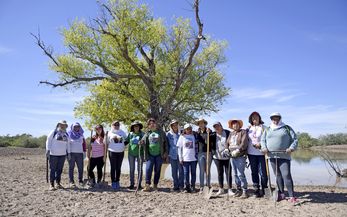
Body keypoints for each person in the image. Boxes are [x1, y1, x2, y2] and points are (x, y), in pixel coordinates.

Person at [261, 112, 298, 203]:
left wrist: (291, 148)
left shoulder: (287, 128)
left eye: (277, 118)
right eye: (273, 118)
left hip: (284, 156)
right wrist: (264, 148)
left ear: (280, 118)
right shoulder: (267, 129)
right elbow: (262, 140)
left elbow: (295, 139)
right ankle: (281, 194)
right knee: (277, 175)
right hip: (272, 155)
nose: (275, 120)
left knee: (286, 175)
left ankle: (291, 196)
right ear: (271, 119)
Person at [141, 118, 168, 192]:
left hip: (159, 155)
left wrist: (166, 153)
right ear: (148, 126)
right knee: (148, 169)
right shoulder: (147, 133)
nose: (152, 124)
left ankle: (155, 185)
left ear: (156, 124)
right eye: (150, 124)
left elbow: (166, 143)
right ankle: (147, 185)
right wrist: (141, 142)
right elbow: (142, 141)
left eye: (153, 123)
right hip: (150, 155)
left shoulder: (161, 133)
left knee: (157, 170)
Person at [247, 112, 268, 198]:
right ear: (251, 119)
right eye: (253, 117)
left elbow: (268, 139)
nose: (254, 118)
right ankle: (256, 189)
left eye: (256, 117)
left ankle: (264, 189)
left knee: (263, 172)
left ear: (259, 118)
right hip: (251, 153)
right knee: (254, 172)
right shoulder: (248, 129)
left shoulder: (264, 128)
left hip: (261, 153)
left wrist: (261, 145)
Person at [227, 119, 249, 199]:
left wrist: (238, 150)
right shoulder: (231, 133)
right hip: (232, 156)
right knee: (235, 174)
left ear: (239, 125)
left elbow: (244, 143)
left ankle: (245, 190)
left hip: (240, 155)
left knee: (240, 174)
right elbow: (227, 142)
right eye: (233, 124)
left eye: (236, 124)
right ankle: (238, 189)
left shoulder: (243, 132)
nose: (235, 125)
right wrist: (226, 149)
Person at [46, 120, 71, 190]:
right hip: (53, 154)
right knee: (53, 169)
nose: (63, 126)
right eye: (61, 125)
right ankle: (51, 184)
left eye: (64, 125)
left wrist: (68, 153)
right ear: (58, 125)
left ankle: (58, 183)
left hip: (62, 155)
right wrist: (48, 150)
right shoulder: (54, 132)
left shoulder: (66, 134)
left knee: (59, 170)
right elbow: (48, 140)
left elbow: (68, 144)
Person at [210, 122, 232, 196]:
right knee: (220, 173)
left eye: (218, 126)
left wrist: (228, 149)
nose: (217, 128)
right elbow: (206, 141)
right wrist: (207, 132)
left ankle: (230, 189)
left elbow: (232, 141)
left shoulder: (227, 132)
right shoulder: (212, 134)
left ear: (221, 126)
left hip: (227, 156)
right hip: (217, 157)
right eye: (215, 127)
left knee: (228, 173)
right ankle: (221, 189)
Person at [105, 121, 127, 190]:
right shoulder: (109, 133)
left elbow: (127, 140)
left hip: (121, 152)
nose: (116, 126)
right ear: (112, 125)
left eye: (118, 125)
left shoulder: (122, 132)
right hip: (112, 152)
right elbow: (106, 143)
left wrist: (123, 146)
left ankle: (117, 181)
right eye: (115, 125)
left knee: (118, 167)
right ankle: (113, 182)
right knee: (113, 167)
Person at [177, 124, 198, 193]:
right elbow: (179, 148)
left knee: (193, 173)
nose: (189, 130)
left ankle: (193, 186)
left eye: (190, 129)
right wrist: (180, 158)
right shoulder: (182, 137)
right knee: (186, 173)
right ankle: (187, 187)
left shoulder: (193, 136)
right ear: (185, 130)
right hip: (185, 158)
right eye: (187, 129)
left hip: (193, 159)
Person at [125, 121, 144, 190]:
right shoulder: (130, 134)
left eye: (137, 126)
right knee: (131, 169)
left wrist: (142, 143)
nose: (136, 127)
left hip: (140, 154)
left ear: (139, 127)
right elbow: (126, 142)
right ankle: (132, 184)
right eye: (135, 126)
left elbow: (145, 143)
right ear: (133, 127)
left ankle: (139, 184)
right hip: (131, 154)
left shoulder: (142, 134)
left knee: (139, 169)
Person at [195, 118, 212, 193]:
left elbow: (211, 141)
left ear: (205, 124)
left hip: (208, 152)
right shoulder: (196, 133)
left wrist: (209, 133)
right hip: (200, 153)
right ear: (198, 125)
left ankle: (208, 185)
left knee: (207, 170)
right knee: (201, 170)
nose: (201, 124)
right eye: (199, 123)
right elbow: (186, 133)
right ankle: (201, 186)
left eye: (202, 123)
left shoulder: (209, 132)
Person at [166, 120, 184, 192]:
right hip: (172, 155)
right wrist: (167, 155)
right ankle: (175, 185)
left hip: (181, 155)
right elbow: (166, 145)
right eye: (173, 125)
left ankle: (181, 186)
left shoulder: (182, 133)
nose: (175, 126)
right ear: (171, 126)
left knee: (181, 171)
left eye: (176, 124)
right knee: (174, 171)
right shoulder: (168, 134)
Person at [68, 122, 86, 187]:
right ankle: (71, 181)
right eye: (75, 126)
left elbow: (84, 144)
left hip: (80, 154)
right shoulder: (69, 134)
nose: (76, 128)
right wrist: (68, 153)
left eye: (78, 126)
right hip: (72, 154)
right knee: (71, 168)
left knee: (80, 168)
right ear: (72, 127)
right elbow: (67, 144)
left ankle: (80, 180)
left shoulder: (81, 134)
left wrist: (84, 152)